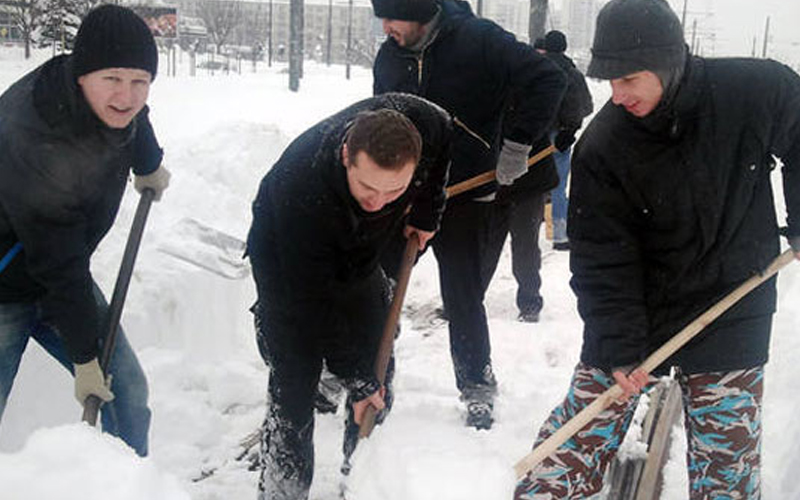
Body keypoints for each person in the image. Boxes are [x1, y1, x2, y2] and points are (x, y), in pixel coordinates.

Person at [514, 0, 800, 498]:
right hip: (639, 307)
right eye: (609, 80)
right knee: (565, 454)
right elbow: (601, 259)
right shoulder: (604, 146)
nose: (617, 94)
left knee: (726, 473)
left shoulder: (754, 91)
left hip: (734, 299)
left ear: (669, 61)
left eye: (629, 79)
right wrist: (620, 348)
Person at [372, 0, 566, 429]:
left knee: (462, 294)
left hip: (464, 195)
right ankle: (371, 377)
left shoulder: (478, 40)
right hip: (406, 194)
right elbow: (379, 118)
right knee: (380, 285)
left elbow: (547, 79)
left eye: (391, 16)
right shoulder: (390, 56)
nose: (385, 27)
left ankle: (477, 384)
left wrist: (517, 145)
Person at [247, 93, 452, 500]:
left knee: (378, 357)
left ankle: (361, 481)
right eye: (367, 186)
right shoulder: (301, 188)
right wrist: (354, 377)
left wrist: (427, 210)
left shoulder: (425, 124)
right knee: (295, 378)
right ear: (346, 155)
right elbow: (313, 304)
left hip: (359, 253)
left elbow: (444, 134)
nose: (378, 201)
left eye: (394, 190)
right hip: (287, 262)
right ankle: (282, 490)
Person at [0, 4, 169, 457]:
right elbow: (59, 262)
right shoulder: (34, 134)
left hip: (55, 272)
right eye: (113, 79)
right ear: (82, 74)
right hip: (6, 287)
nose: (126, 95)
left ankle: (132, 485)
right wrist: (84, 358)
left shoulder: (107, 97)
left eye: (140, 81)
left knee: (128, 392)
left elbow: (136, 114)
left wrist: (148, 162)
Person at [541, 30, 593, 251]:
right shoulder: (572, 73)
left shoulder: (535, 69)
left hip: (532, 136)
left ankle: (523, 228)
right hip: (560, 137)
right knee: (558, 185)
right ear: (564, 47)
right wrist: (570, 128)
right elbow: (586, 105)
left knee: (527, 185)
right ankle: (559, 235)